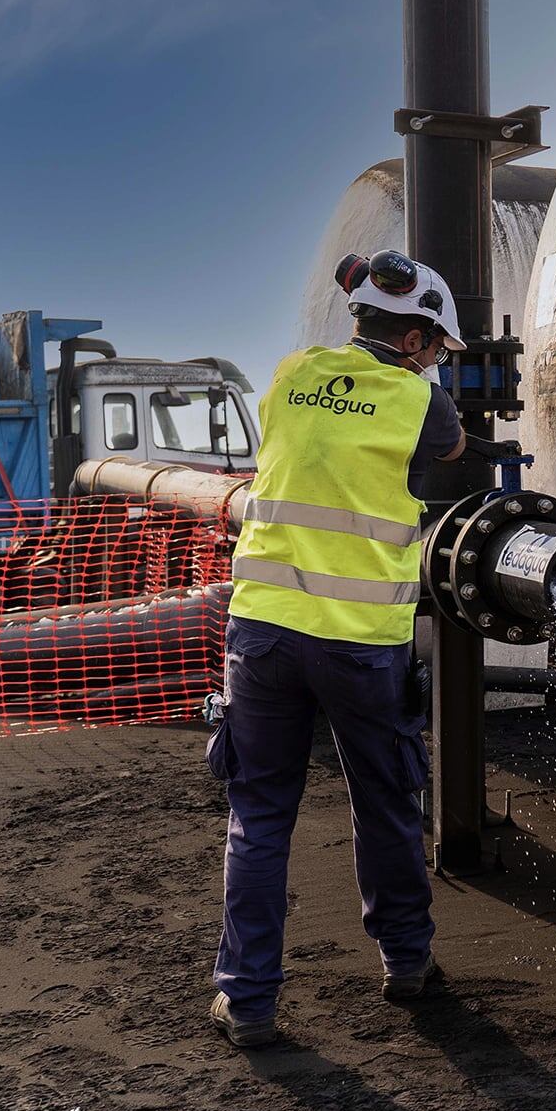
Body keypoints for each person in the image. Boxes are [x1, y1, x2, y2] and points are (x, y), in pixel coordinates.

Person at [207, 249, 466, 1047]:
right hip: (359, 645)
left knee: (257, 816)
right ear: (420, 338)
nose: (435, 359)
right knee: (384, 801)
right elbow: (450, 460)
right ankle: (406, 963)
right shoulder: (422, 402)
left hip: (263, 634)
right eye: (436, 346)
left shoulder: (289, 375)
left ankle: (247, 1001)